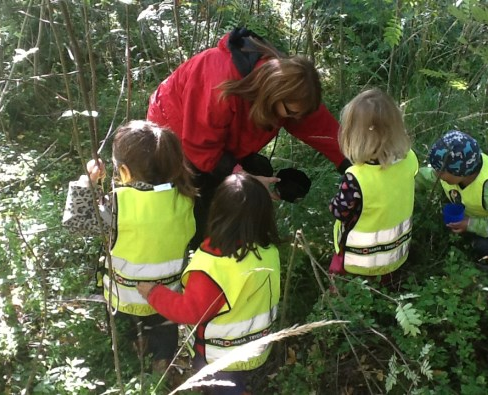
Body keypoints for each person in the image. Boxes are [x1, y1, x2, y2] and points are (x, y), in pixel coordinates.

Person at [147, 27, 351, 249]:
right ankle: (198, 257)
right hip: (177, 138)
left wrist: (353, 162)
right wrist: (244, 178)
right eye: (291, 113)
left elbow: (321, 128)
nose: (296, 119)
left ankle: (232, 249)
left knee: (255, 173)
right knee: (199, 204)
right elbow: (200, 149)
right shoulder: (219, 82)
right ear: (272, 96)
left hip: (214, 141)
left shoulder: (292, 89)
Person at [62, 120, 197, 371]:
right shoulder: (185, 197)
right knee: (164, 337)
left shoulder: (119, 205)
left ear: (124, 172)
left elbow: (75, 223)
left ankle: (133, 370)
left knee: (128, 340)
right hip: (167, 296)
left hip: (125, 298)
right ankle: (162, 367)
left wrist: (88, 182)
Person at [137, 173, 280, 395]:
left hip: (220, 356)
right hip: (256, 346)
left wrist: (154, 293)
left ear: (217, 212)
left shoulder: (212, 267)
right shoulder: (268, 251)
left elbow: (190, 311)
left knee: (225, 389)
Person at [328, 88, 418, 277]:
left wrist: (332, 203)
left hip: (359, 259)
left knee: (339, 281)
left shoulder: (357, 177)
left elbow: (340, 211)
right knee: (388, 285)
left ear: (354, 136)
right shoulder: (409, 159)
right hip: (396, 254)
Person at [418, 130, 488, 266]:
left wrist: (471, 224)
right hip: (478, 218)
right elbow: (425, 177)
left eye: (440, 171)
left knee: (484, 246)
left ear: (461, 172)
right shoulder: (454, 168)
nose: (437, 174)